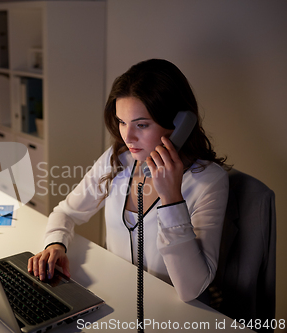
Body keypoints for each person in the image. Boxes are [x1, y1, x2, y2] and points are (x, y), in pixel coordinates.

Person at [27, 59, 230, 302]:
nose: (128, 136)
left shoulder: (209, 181)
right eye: (122, 122)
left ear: (179, 124)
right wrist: (55, 245)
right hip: (116, 299)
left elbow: (192, 289)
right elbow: (67, 212)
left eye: (142, 125)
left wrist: (172, 198)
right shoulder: (120, 158)